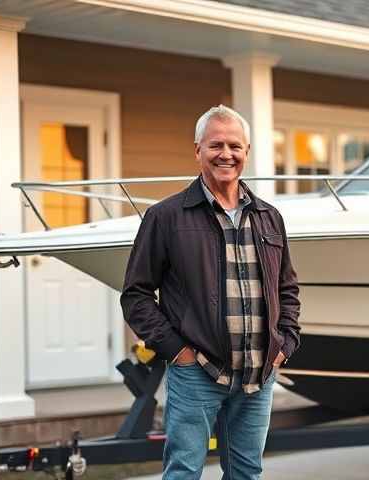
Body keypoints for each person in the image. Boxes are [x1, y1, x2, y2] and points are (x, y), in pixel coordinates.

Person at [121, 104, 301, 479]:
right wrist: (178, 352)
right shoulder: (166, 217)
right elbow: (136, 295)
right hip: (197, 372)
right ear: (197, 150)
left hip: (258, 374)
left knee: (246, 472)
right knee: (184, 471)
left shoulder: (269, 217)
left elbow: (287, 288)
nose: (226, 154)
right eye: (215, 144)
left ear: (246, 152)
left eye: (235, 146)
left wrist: (284, 344)